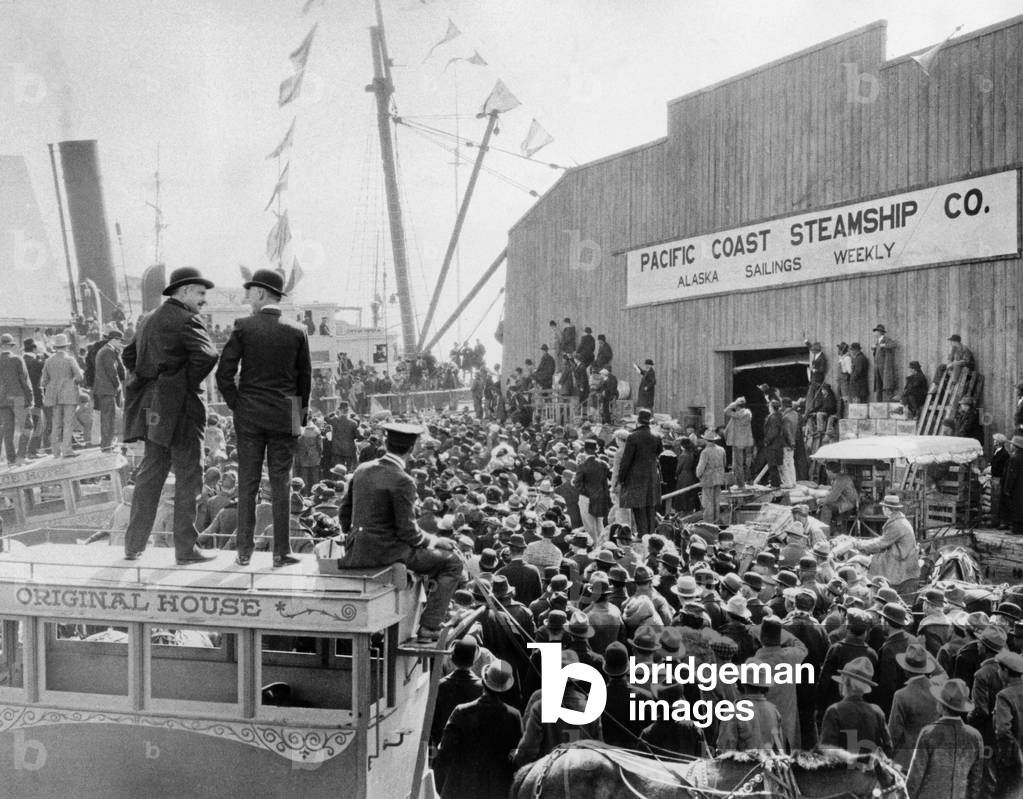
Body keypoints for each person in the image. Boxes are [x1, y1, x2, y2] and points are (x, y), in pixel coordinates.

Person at [122, 267, 220, 564]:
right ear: (185, 290)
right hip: (181, 409)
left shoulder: (148, 320)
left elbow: (129, 356)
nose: (204, 300)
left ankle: (133, 546)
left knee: (151, 473)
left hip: (152, 410)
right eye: (201, 293)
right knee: (189, 476)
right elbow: (208, 355)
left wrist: (155, 377)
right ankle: (185, 549)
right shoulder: (187, 319)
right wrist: (180, 383)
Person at [216, 269, 312, 567]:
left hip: (250, 419)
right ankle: (281, 552)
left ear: (260, 293)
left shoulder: (244, 326)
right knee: (281, 483)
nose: (247, 299)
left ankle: (244, 551)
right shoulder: (297, 331)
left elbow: (224, 373)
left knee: (248, 482)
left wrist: (238, 405)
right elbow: (304, 381)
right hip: (285, 418)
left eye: (249, 293)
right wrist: (299, 422)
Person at [338, 422, 463, 642]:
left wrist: (353, 539)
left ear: (386, 443)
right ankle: (429, 626)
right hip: (388, 553)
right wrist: (435, 542)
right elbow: (409, 532)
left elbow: (344, 512)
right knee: (452, 563)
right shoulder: (403, 480)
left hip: (356, 550)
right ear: (411, 449)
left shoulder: (362, 469)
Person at [433, 660, 522, 799]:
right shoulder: (513, 716)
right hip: (498, 789)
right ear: (505, 688)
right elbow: (516, 756)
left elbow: (444, 753)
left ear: (484, 682)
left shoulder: (461, 712)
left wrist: (442, 788)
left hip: (461, 787)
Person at [905, 679, 984, 799]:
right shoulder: (975, 737)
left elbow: (915, 777)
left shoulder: (929, 733)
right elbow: (976, 781)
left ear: (941, 706)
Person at [818, 656, 893, 757]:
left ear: (846, 683)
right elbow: (888, 748)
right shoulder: (877, 712)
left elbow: (826, 752)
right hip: (870, 771)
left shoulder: (834, 711)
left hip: (842, 772)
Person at [850, 495, 920, 594]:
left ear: (887, 509)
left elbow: (880, 543)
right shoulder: (899, 520)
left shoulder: (896, 524)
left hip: (901, 561)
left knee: (871, 564)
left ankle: (872, 589)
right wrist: (863, 542)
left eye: (883, 507)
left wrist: (858, 545)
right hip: (903, 555)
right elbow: (883, 539)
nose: (883, 509)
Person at [618, 408, 661, 537]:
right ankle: (650, 535)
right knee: (650, 507)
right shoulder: (657, 436)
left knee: (638, 507)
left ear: (638, 421)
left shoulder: (633, 437)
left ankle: (643, 535)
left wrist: (621, 478)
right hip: (652, 476)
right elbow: (658, 453)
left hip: (636, 477)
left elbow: (626, 460)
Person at [41, 333, 83, 458]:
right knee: (68, 423)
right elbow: (79, 377)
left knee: (56, 423)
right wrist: (76, 377)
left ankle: (55, 451)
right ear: (66, 346)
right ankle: (67, 450)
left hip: (54, 396)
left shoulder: (48, 361)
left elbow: (43, 381)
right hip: (69, 394)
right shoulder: (70, 359)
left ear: (55, 347)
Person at [0, 334, 32, 465]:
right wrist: (30, 398)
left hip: (2, 401)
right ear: (11, 345)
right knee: (27, 426)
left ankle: (11, 459)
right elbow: (24, 380)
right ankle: (21, 456)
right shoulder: (17, 359)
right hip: (18, 397)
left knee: (8, 430)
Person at [93, 327, 126, 451]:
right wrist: (117, 385)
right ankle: (107, 445)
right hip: (107, 389)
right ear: (113, 340)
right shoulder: (108, 352)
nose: (120, 343)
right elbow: (112, 371)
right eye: (119, 340)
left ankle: (107, 443)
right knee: (108, 418)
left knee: (108, 417)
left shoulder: (105, 350)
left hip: (103, 389)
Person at [573, 438, 611, 543]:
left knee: (590, 527)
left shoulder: (583, 465)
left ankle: (595, 548)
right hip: (600, 498)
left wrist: (588, 493)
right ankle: (603, 547)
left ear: (585, 450)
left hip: (587, 498)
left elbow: (577, 484)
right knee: (600, 525)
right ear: (596, 449)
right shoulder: (603, 464)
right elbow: (611, 479)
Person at [723, 397, 754, 488]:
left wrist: (732, 404)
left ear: (737, 406)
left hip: (737, 441)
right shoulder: (748, 413)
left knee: (737, 464)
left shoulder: (738, 415)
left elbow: (726, 411)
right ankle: (748, 481)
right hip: (747, 441)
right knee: (747, 462)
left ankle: (740, 484)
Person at [695, 431, 725, 523]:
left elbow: (700, 467)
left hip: (708, 479)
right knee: (717, 501)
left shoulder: (705, 452)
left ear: (706, 440)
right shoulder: (721, 449)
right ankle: (716, 520)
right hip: (719, 478)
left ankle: (709, 522)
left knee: (708, 502)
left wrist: (698, 475)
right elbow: (724, 463)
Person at [1003, 435, 1023, 536]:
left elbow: (1011, 475)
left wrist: (1007, 489)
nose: (1010, 446)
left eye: (1012, 444)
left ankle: (1016, 530)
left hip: (1016, 488)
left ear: (1015, 446)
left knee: (1015, 507)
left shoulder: (1014, 458)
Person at [762, 400, 785, 488]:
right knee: (774, 466)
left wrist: (766, 441)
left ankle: (775, 484)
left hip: (773, 445)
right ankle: (775, 483)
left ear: (771, 407)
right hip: (777, 444)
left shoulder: (773, 417)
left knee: (772, 465)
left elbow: (773, 432)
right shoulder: (778, 416)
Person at [872, 324, 898, 401]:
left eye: (876, 331)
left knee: (887, 385)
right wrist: (874, 349)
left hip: (884, 367)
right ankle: (879, 403)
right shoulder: (877, 341)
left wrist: (885, 345)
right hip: (877, 366)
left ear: (880, 332)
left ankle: (890, 401)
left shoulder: (886, 339)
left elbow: (894, 345)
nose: (875, 333)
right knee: (878, 386)